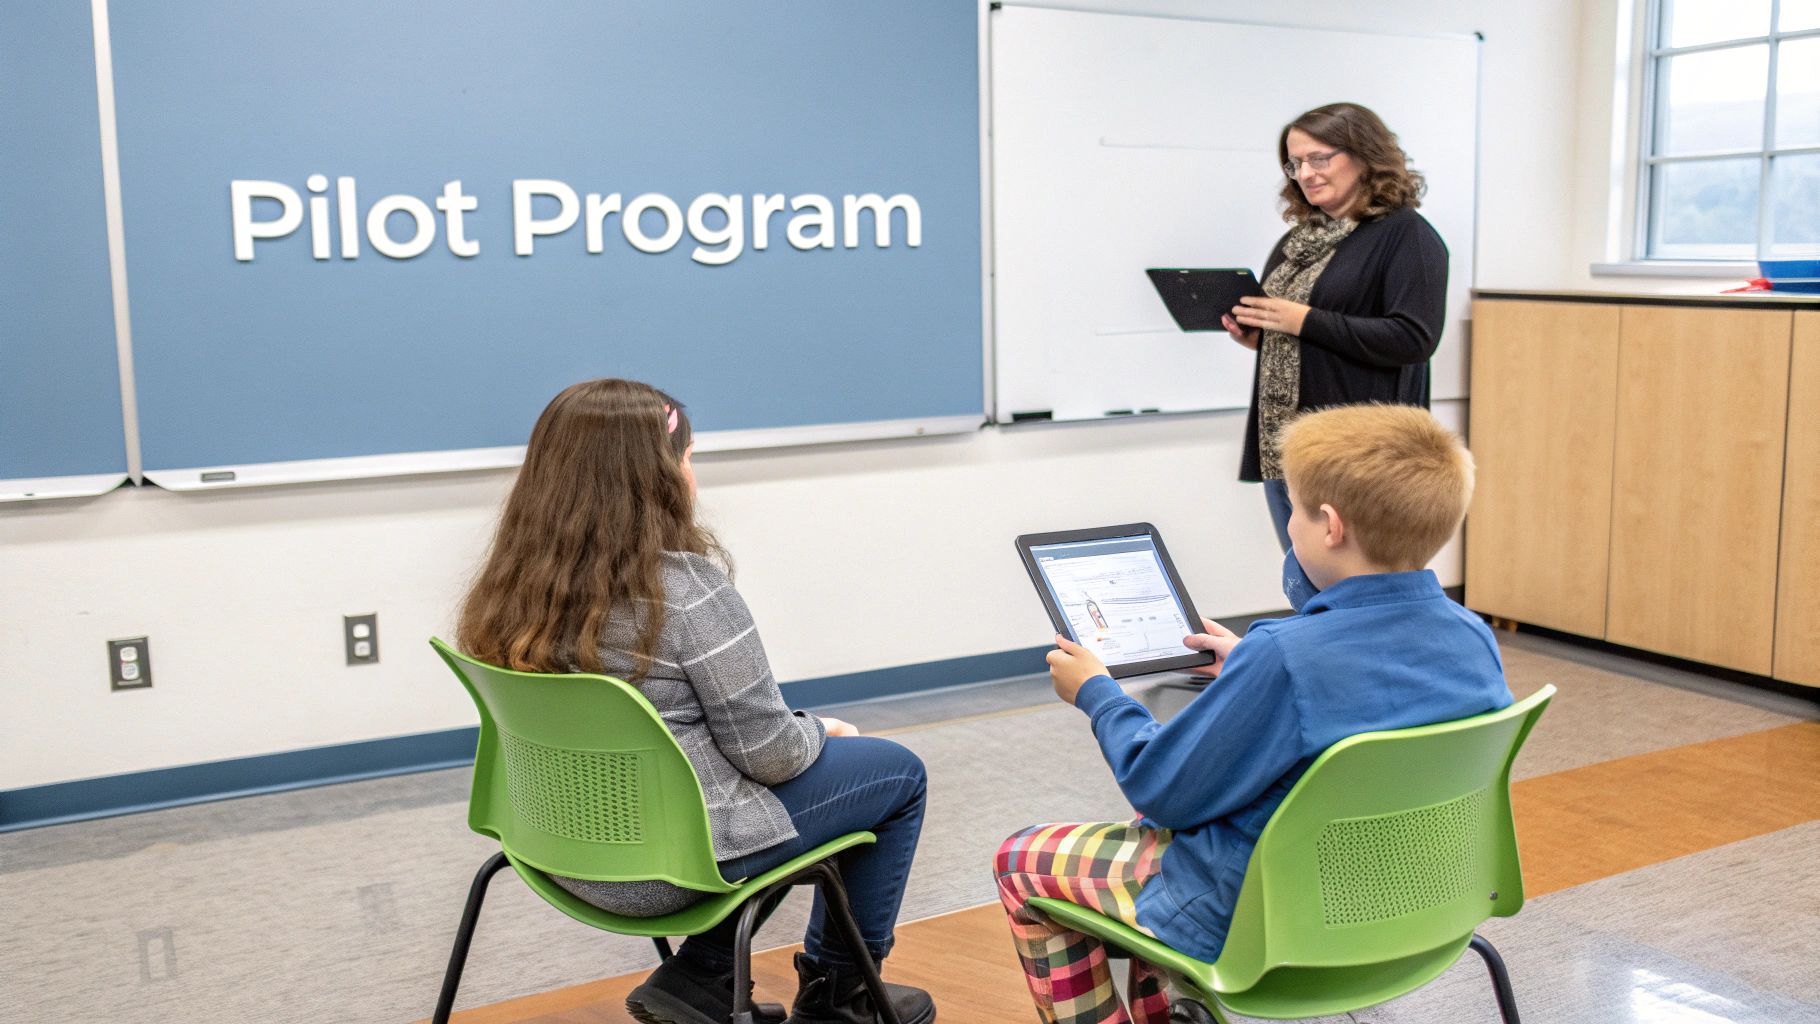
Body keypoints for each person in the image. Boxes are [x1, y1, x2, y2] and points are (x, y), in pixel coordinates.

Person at [993, 404, 1512, 1024]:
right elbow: (1360, 688)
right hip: (1421, 902)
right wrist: (1249, 666)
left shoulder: (1284, 657)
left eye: (1292, 508)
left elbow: (1160, 788)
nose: (1287, 525)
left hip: (1266, 919)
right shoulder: (1471, 636)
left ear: (1330, 526)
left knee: (1019, 860)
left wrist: (1098, 693)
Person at [456, 379, 935, 1024]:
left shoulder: (511, 589)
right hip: (667, 866)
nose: (693, 473)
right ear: (656, 477)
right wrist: (825, 730)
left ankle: (702, 977)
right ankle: (839, 998)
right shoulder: (683, 591)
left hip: (555, 849)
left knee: (731, 781)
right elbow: (770, 754)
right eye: (686, 457)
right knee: (896, 772)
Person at [1220, 102, 1449, 551]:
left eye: (1319, 158)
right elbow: (1304, 331)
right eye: (1295, 163)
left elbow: (1413, 338)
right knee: (1303, 581)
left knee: (1357, 584)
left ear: (1364, 157)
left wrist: (1303, 321)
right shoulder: (1297, 241)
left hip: (1358, 452)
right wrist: (1261, 337)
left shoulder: (1407, 235)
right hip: (1286, 441)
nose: (1305, 173)